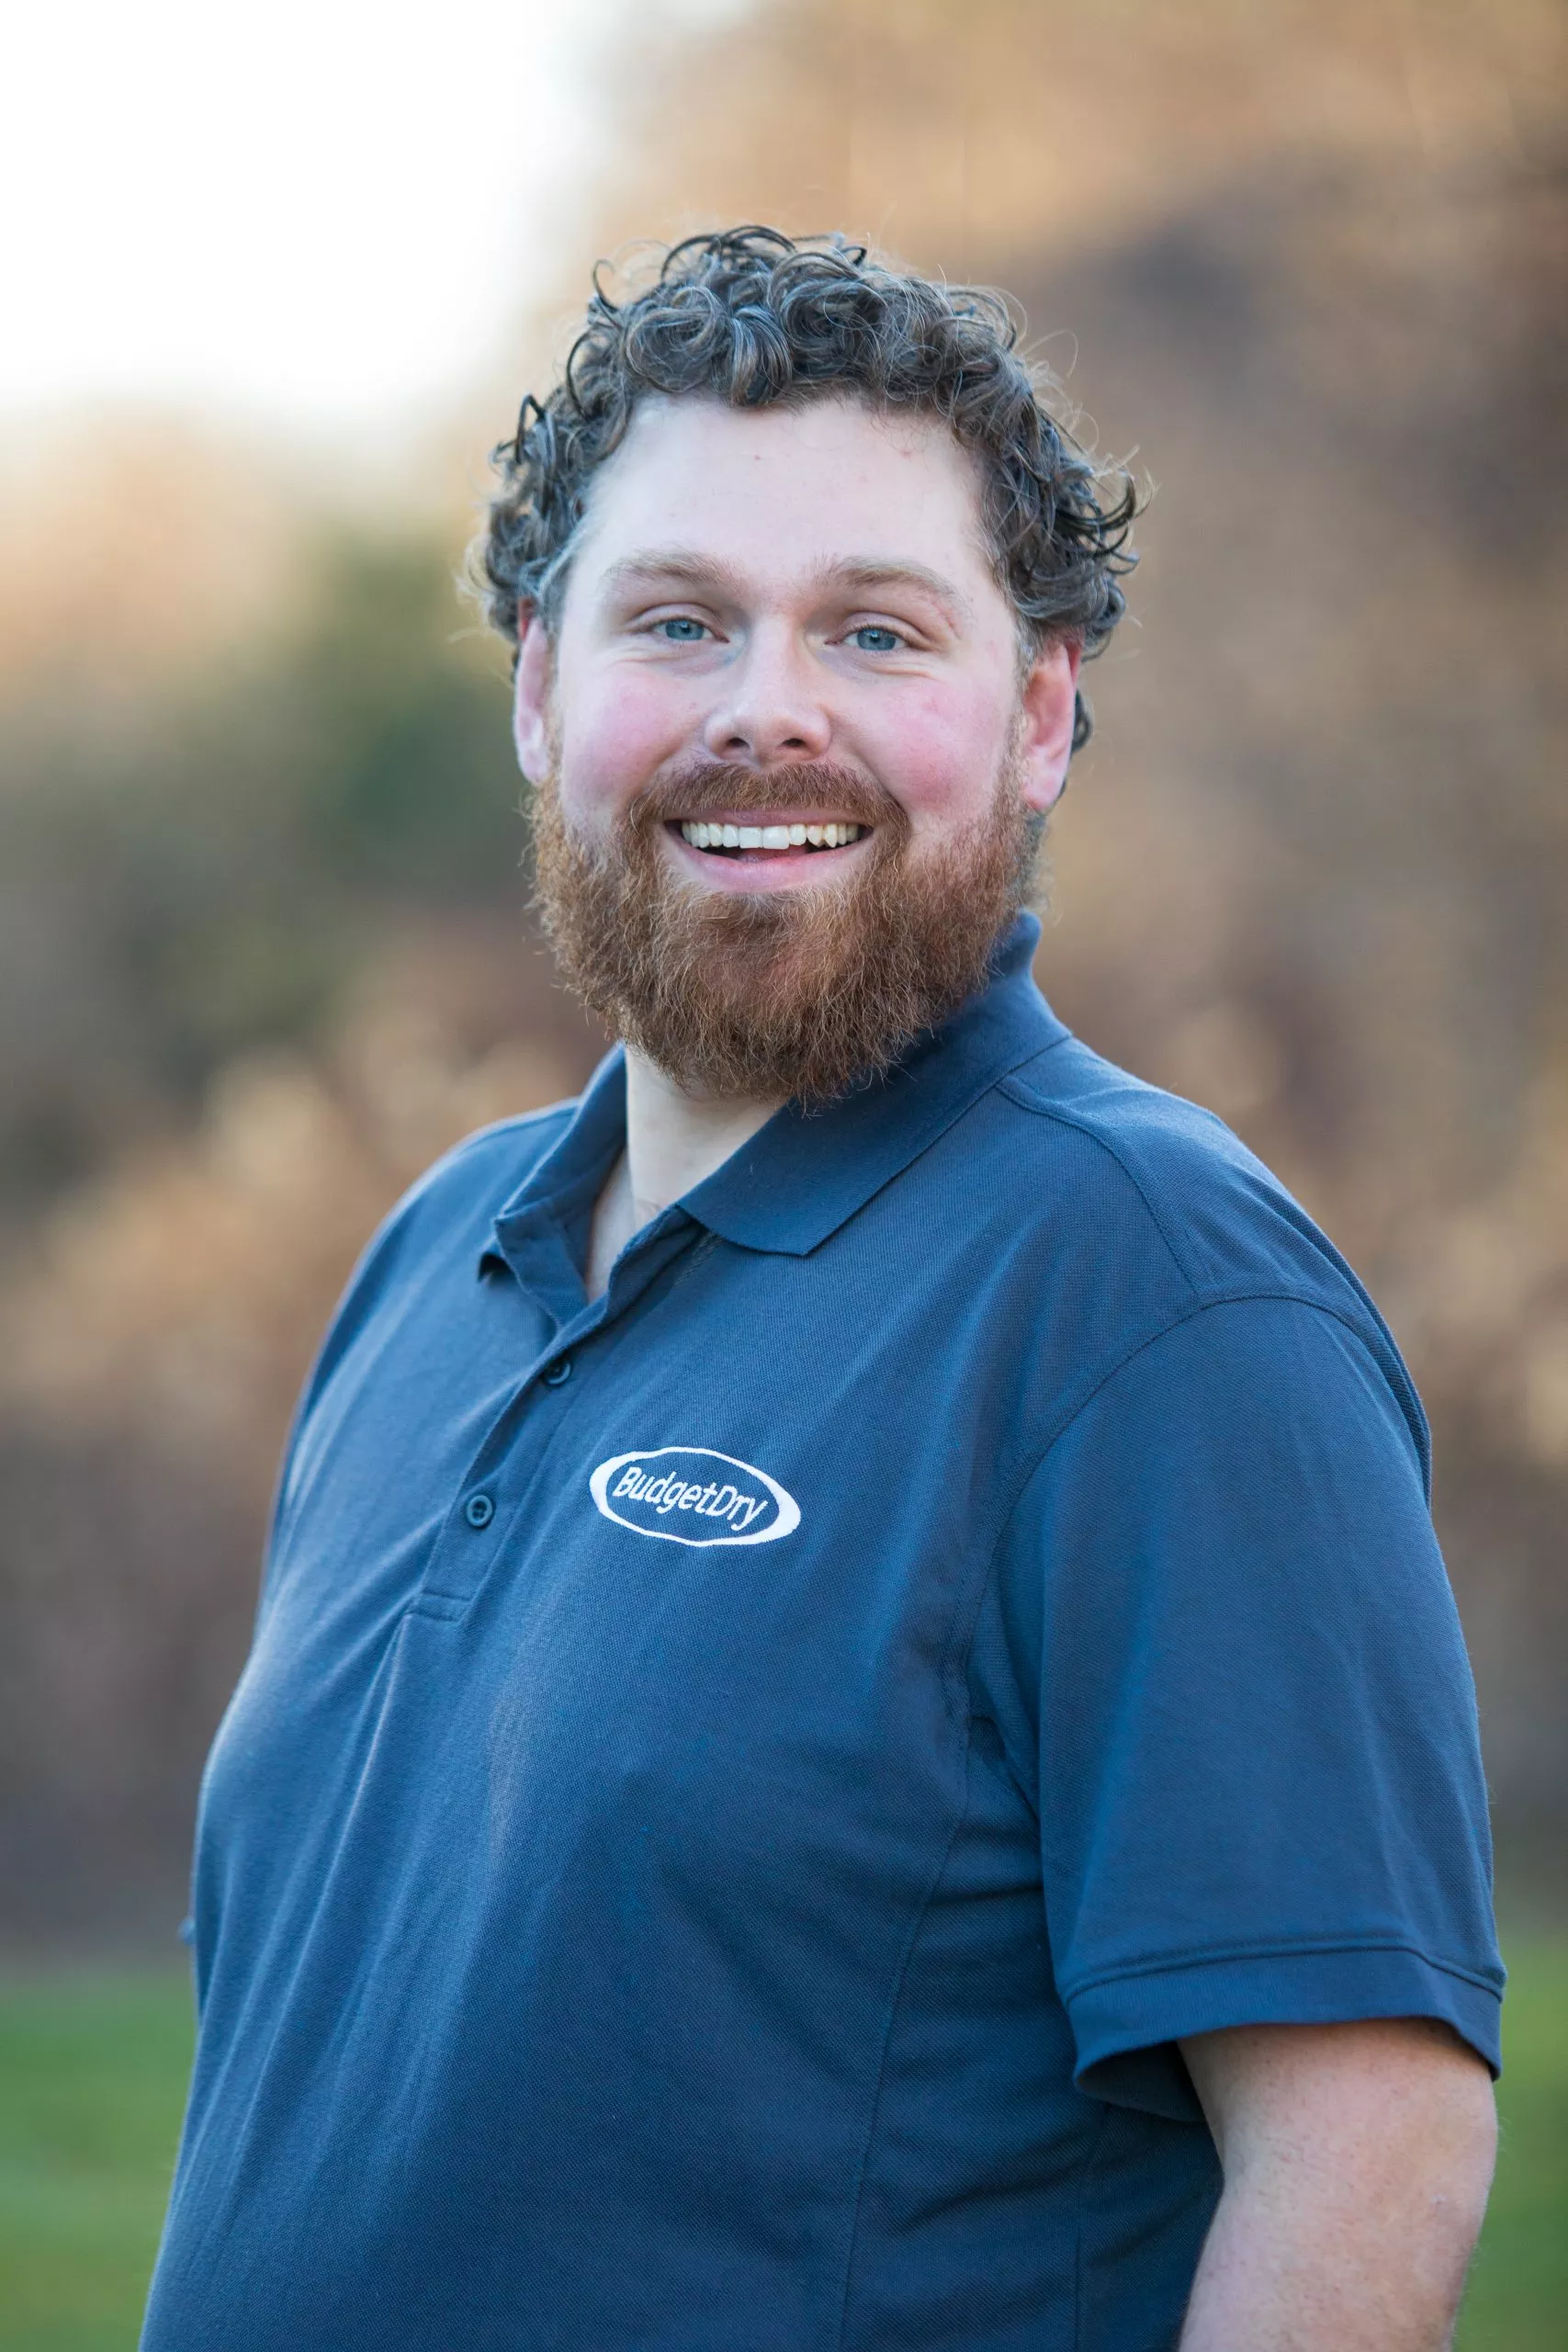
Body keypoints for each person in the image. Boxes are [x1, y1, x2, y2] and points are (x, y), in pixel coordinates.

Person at [141, 228, 1502, 2352]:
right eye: (676, 619)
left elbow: (1364, 2168)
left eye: (875, 631)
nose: (765, 708)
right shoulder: (437, 1253)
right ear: (537, 681)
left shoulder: (1156, 1299)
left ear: (1039, 714)